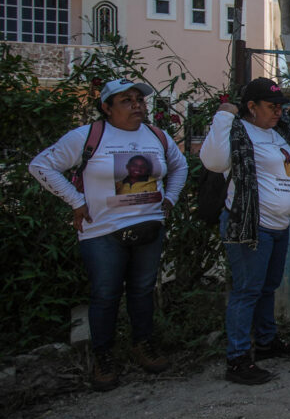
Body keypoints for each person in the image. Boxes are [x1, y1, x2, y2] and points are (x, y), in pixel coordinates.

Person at [30, 78, 187, 391]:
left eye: (139, 100)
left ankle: (143, 346)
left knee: (142, 291)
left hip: (148, 228)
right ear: (106, 108)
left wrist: (170, 198)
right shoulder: (88, 136)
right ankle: (103, 357)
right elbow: (41, 166)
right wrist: (75, 202)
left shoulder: (157, 135)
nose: (137, 106)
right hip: (102, 232)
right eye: (126, 101)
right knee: (105, 294)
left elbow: (179, 166)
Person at [200, 77, 290, 385]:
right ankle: (236, 359)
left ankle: (265, 342)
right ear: (251, 107)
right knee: (247, 290)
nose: (278, 112)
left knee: (266, 287)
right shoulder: (238, 130)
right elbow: (213, 161)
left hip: (279, 225)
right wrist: (224, 114)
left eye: (280, 106)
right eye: (272, 106)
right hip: (252, 226)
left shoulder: (276, 132)